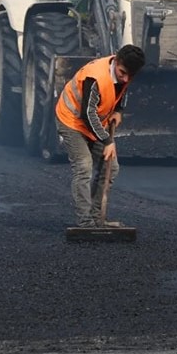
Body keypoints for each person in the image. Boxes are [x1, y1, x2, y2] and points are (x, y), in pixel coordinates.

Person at [55, 44, 146, 228]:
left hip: (94, 123)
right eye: (122, 73)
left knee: (110, 168)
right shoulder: (95, 77)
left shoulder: (125, 72)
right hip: (71, 120)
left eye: (130, 75)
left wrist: (119, 111)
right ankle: (85, 221)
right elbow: (87, 115)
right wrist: (107, 141)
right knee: (84, 165)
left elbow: (122, 91)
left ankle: (98, 218)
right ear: (117, 62)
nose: (126, 78)